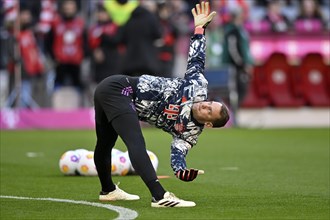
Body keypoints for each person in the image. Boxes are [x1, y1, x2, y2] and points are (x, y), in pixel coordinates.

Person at [93, 1, 229, 208]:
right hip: (121, 87)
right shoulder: (198, 87)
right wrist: (200, 29)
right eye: (209, 103)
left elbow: (178, 155)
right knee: (135, 141)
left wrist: (182, 171)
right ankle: (159, 196)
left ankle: (108, 190)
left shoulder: (189, 133)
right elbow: (196, 59)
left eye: (209, 110)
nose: (205, 105)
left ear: (208, 124)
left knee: (105, 144)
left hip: (116, 96)